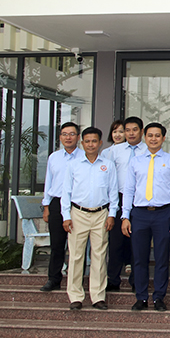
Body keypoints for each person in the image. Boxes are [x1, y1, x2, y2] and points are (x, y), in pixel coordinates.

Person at [122, 122, 170, 311]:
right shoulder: (135, 161)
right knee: (139, 259)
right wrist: (125, 216)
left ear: (163, 138)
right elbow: (129, 189)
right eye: (150, 135)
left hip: (163, 214)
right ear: (144, 137)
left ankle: (158, 297)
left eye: (157, 135)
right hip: (139, 213)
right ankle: (141, 297)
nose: (154, 139)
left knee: (161, 257)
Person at [61, 127, 118, 310]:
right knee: (76, 256)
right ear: (82, 143)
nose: (91, 144)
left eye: (94, 141)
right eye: (87, 141)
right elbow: (66, 192)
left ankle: (97, 296)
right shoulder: (74, 165)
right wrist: (66, 216)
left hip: (101, 214)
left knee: (99, 256)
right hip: (78, 214)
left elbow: (113, 192)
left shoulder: (108, 165)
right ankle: (75, 297)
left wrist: (112, 214)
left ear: (100, 143)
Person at [40, 122, 84, 292]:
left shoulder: (84, 156)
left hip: (77, 204)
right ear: (60, 137)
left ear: (78, 138)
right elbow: (48, 182)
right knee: (57, 244)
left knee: (77, 246)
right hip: (57, 203)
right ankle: (54, 279)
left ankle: (76, 281)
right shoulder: (54, 157)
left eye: (72, 134)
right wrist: (46, 206)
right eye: (65, 134)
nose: (68, 137)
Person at [106, 116, 147, 292]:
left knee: (137, 243)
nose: (130, 133)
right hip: (119, 198)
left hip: (140, 200)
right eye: (127, 130)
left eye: (134, 130)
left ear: (141, 131)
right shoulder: (114, 151)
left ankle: (136, 281)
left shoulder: (148, 150)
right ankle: (113, 279)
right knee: (115, 242)